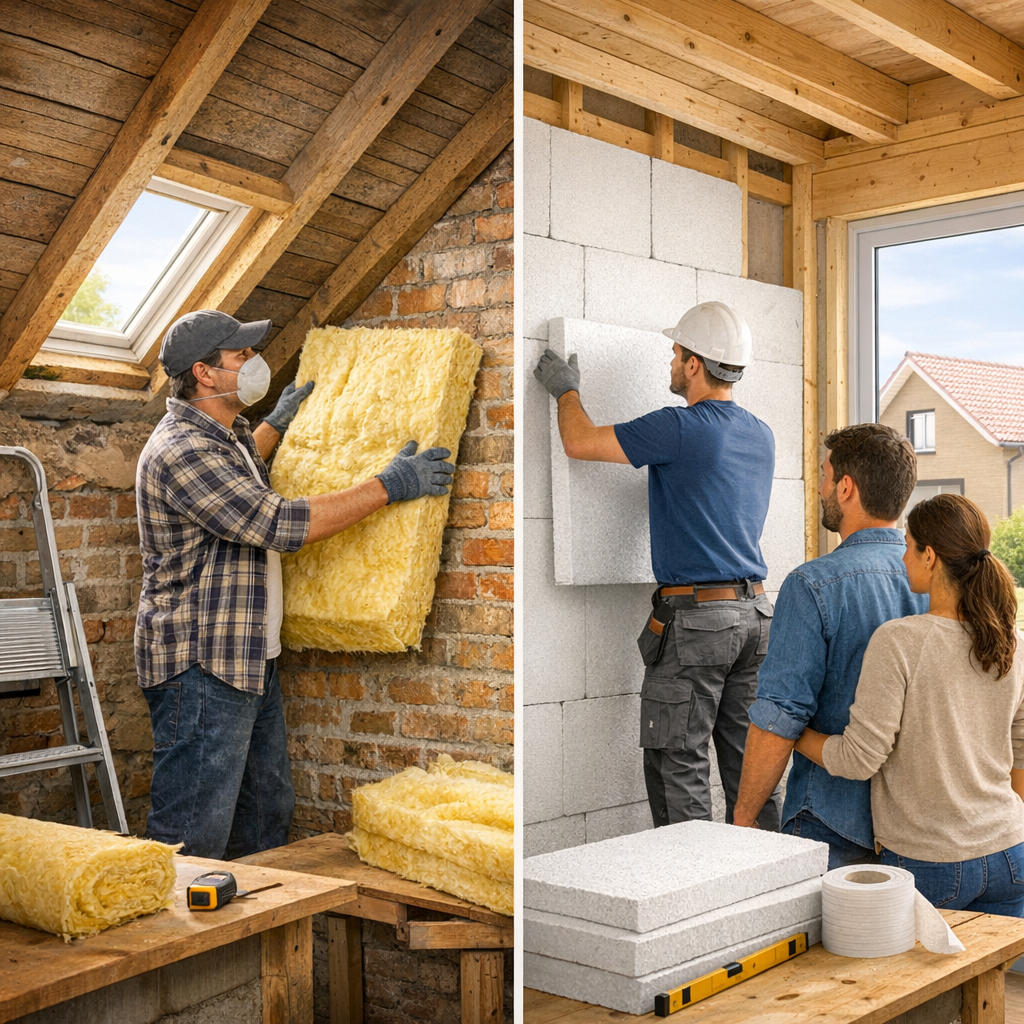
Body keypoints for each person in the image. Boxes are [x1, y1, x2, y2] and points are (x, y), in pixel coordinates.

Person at [135, 309, 455, 859]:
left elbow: (240, 476)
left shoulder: (223, 433)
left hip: (246, 656)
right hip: (202, 664)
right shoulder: (181, 449)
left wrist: (276, 424)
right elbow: (277, 524)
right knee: (193, 828)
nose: (255, 363)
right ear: (204, 373)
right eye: (241, 356)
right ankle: (177, 940)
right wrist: (389, 484)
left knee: (264, 815)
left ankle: (250, 937)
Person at [534, 302, 780, 829]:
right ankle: (769, 890)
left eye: (675, 353)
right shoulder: (761, 433)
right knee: (749, 770)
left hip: (697, 624)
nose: (670, 362)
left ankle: (692, 894)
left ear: (695, 364)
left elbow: (579, 441)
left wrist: (565, 390)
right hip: (754, 617)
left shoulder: (679, 428)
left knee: (679, 764)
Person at [794, 494, 1024, 914]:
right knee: (984, 976)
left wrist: (793, 733)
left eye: (907, 545)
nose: (902, 558)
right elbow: (1021, 752)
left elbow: (859, 759)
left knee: (919, 979)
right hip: (1010, 853)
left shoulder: (899, 640)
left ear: (930, 556)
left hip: (931, 861)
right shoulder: (1012, 642)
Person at [733, 422, 924, 868]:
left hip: (831, 819)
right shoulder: (939, 582)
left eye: (823, 475)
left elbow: (780, 715)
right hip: (915, 828)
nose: (818, 488)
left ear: (845, 487)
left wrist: (743, 817)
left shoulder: (813, 585)